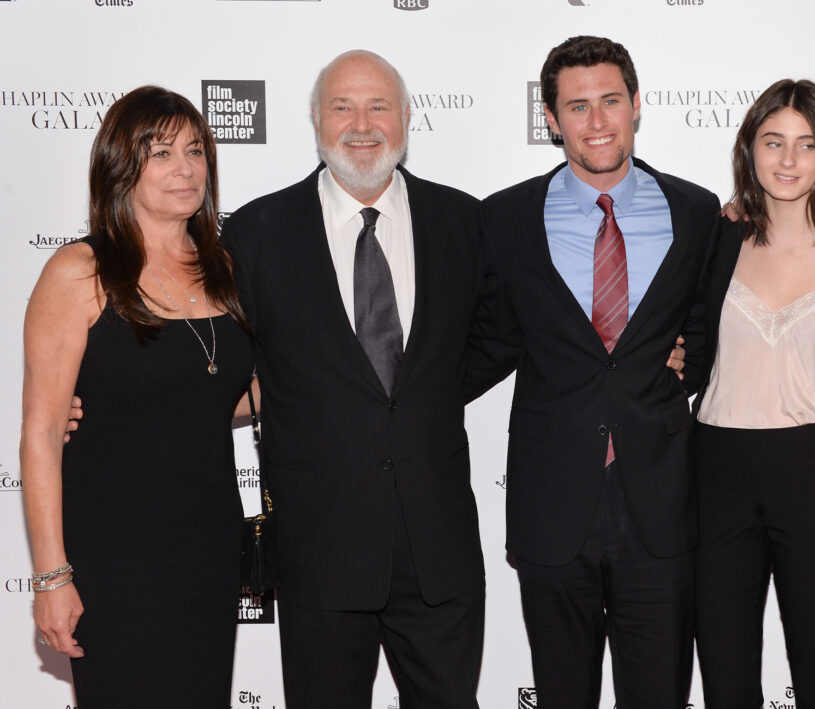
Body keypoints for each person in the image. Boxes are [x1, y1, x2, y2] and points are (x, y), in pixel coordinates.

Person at [219, 50, 511, 708]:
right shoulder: (257, 232)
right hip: (320, 549)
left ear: (407, 118)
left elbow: (502, 333)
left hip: (439, 550)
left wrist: (423, 393)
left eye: (379, 105)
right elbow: (224, 363)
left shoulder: (463, 222)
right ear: (315, 120)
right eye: (342, 106)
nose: (361, 123)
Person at [479, 35, 719, 709]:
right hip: (552, 506)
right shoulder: (504, 219)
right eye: (577, 106)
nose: (597, 122)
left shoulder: (697, 213)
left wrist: (685, 362)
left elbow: (706, 327)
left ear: (637, 105)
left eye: (610, 101)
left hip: (662, 504)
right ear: (551, 119)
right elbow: (484, 339)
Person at [20, 86, 253, 705]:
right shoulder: (80, 272)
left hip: (207, 546)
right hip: (114, 555)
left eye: (196, 150)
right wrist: (51, 576)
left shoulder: (226, 270)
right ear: (122, 167)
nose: (186, 168)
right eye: (161, 153)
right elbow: (42, 433)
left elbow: (215, 397)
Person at [690, 79, 815, 709]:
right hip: (715, 469)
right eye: (772, 141)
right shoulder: (712, 240)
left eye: (806, 145)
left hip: (814, 469)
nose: (787, 160)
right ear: (748, 150)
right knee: (724, 672)